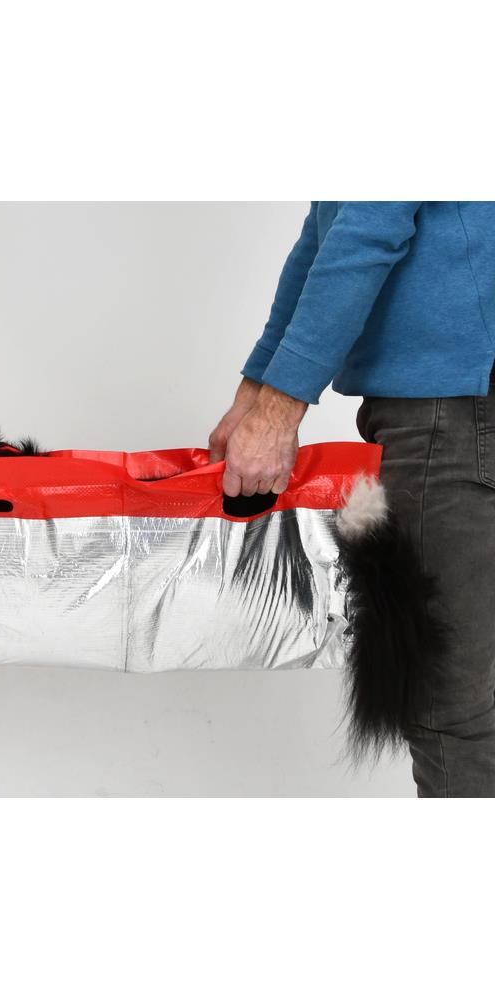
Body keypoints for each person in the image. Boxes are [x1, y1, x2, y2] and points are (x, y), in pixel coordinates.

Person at [209, 201, 495, 798]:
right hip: (457, 407)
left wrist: (278, 409)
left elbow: (365, 229)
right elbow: (326, 231)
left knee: (450, 708)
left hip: (451, 411)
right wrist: (255, 391)